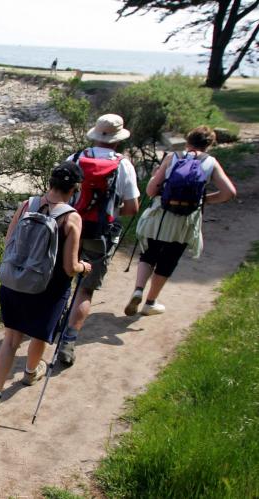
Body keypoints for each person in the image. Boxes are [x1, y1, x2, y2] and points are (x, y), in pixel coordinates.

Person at [0, 162, 91, 417]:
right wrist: (84, 267)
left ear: (50, 182)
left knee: (10, 340)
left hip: (14, 283)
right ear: (76, 188)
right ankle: (31, 373)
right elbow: (69, 267)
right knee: (40, 336)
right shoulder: (71, 217)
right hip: (48, 290)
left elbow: (9, 244)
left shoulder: (26, 205)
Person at [124, 126, 236, 316]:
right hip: (186, 220)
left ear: (188, 141)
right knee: (169, 260)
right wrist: (204, 199)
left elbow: (151, 191)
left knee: (149, 254)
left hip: (161, 215)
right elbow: (229, 193)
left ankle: (138, 290)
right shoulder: (211, 162)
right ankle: (150, 303)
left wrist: (155, 177)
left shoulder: (173, 157)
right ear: (209, 145)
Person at [59, 114, 141, 366]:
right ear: (117, 141)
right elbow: (132, 208)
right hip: (100, 234)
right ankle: (69, 341)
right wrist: (110, 213)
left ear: (95, 134)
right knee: (85, 288)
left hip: (69, 226)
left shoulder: (74, 159)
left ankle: (53, 323)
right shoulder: (123, 165)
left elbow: (58, 196)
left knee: (62, 279)